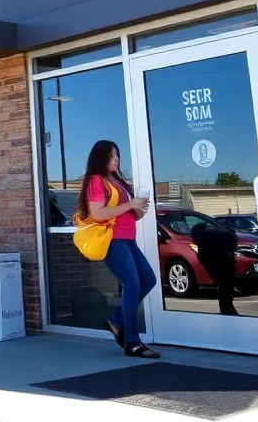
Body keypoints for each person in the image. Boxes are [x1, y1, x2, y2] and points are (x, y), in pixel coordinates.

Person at [78, 140, 158, 358]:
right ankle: (132, 342)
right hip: (113, 240)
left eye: (117, 155)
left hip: (128, 240)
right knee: (132, 284)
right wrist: (131, 205)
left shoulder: (118, 181)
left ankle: (116, 321)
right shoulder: (96, 180)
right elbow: (98, 213)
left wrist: (140, 208)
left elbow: (130, 214)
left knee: (148, 280)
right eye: (112, 156)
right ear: (101, 157)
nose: (116, 159)